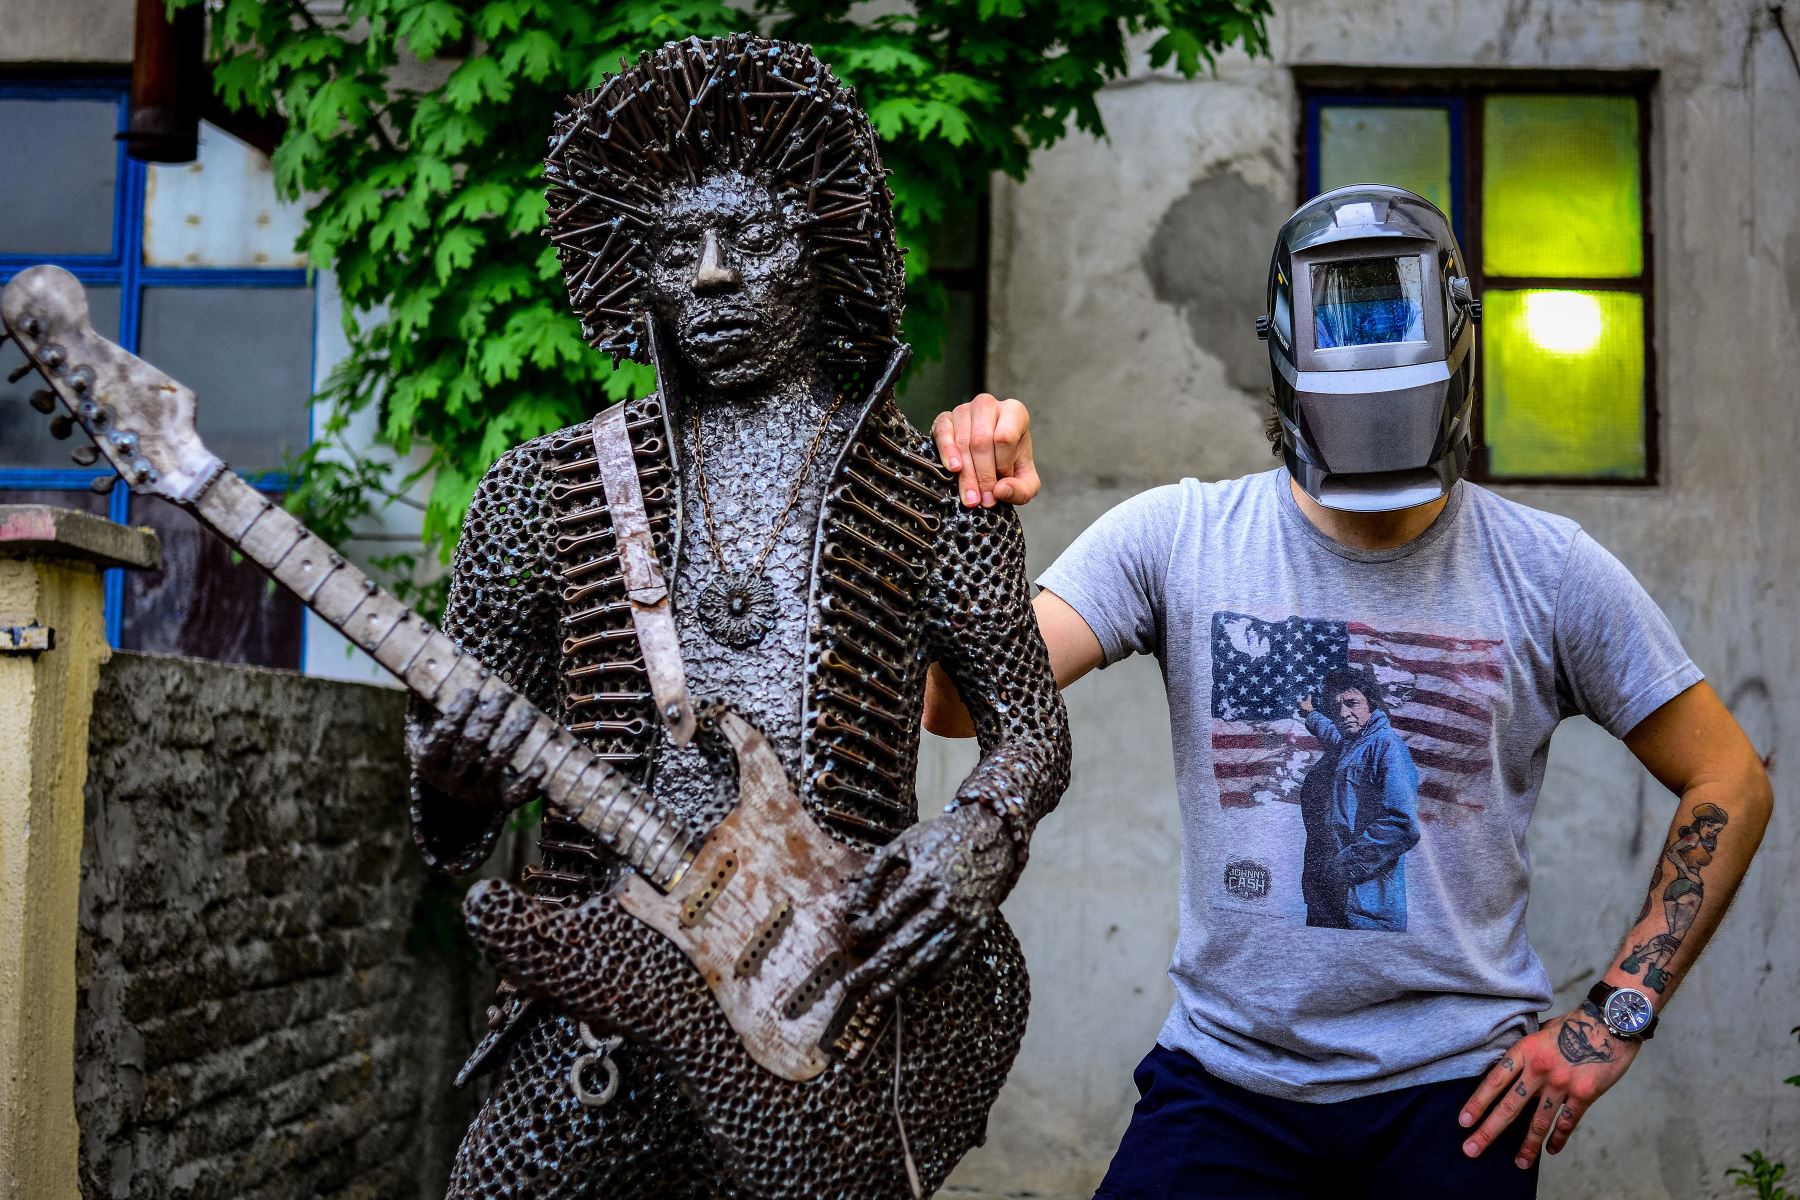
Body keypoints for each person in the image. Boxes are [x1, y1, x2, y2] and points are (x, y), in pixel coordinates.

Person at [925, 185, 1773, 1196]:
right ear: (1285, 342)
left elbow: (1730, 777)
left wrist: (1614, 1014)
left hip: (1454, 1095)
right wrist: (975, 514)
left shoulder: (1550, 570)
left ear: (1455, 334)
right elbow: (958, 708)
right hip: (1227, 1085)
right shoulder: (1177, 538)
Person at [404, 36, 1068, 1197]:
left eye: (751, 239)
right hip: (595, 1030)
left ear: (823, 247)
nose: (710, 275)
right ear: (636, 274)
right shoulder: (535, 495)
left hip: (829, 1019)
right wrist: (453, 781)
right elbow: (448, 830)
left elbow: (1030, 729)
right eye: (674, 248)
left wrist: (979, 839)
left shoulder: (930, 496)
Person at [1295, 666, 1420, 931]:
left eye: (1352, 703)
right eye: (1336, 705)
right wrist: (1310, 713)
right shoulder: (1350, 742)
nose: (1342, 713)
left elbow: (1402, 825)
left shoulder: (1385, 745)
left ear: (1371, 704)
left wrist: (1341, 869)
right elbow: (1331, 731)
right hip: (1328, 899)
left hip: (1364, 906)